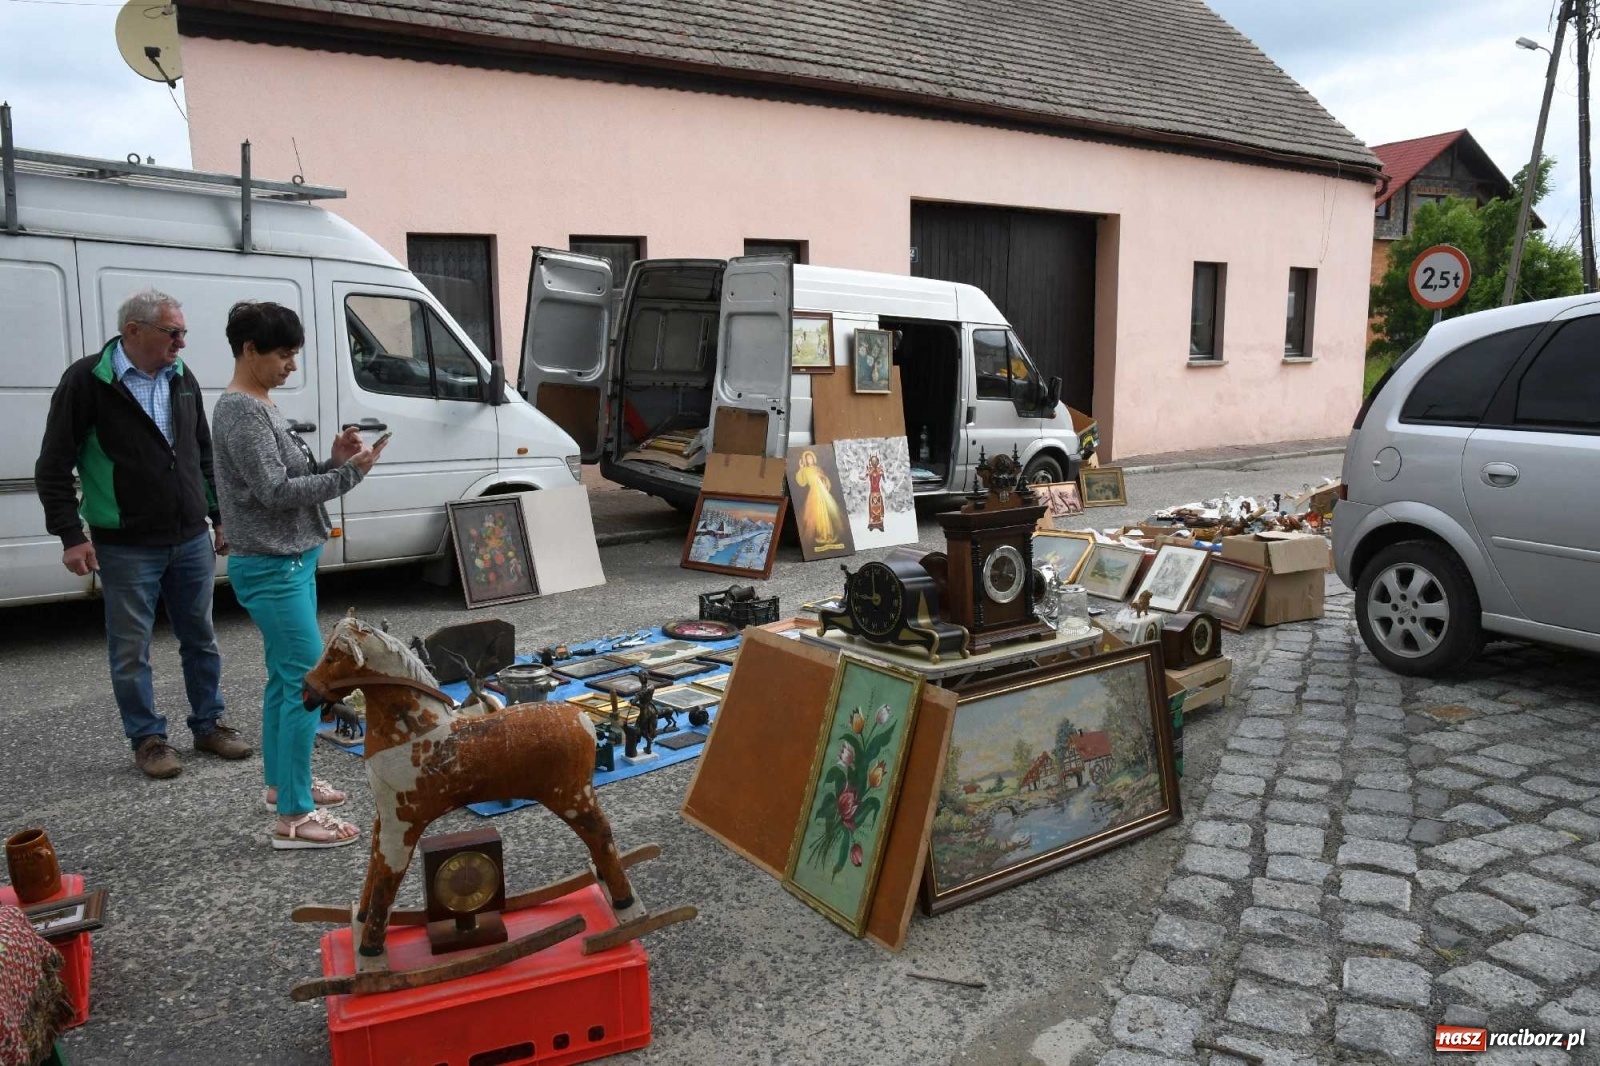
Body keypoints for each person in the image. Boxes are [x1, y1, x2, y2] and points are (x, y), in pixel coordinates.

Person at [35, 289, 250, 779]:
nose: (181, 343)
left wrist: (220, 518)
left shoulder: (181, 377)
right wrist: (71, 534)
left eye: (183, 333)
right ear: (133, 331)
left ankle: (209, 724)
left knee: (202, 638)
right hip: (125, 542)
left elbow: (203, 455)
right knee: (131, 649)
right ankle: (149, 739)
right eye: (171, 333)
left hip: (189, 536)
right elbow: (52, 465)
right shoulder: (87, 381)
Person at [210, 301, 384, 850]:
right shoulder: (241, 411)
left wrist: (333, 461)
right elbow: (275, 493)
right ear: (248, 350)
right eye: (283, 355)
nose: (291, 365)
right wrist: (347, 478)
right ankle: (294, 816)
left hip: (289, 559)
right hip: (272, 565)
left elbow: (287, 477)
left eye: (294, 354)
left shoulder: (259, 402)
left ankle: (284, 784)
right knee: (308, 685)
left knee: (284, 680)